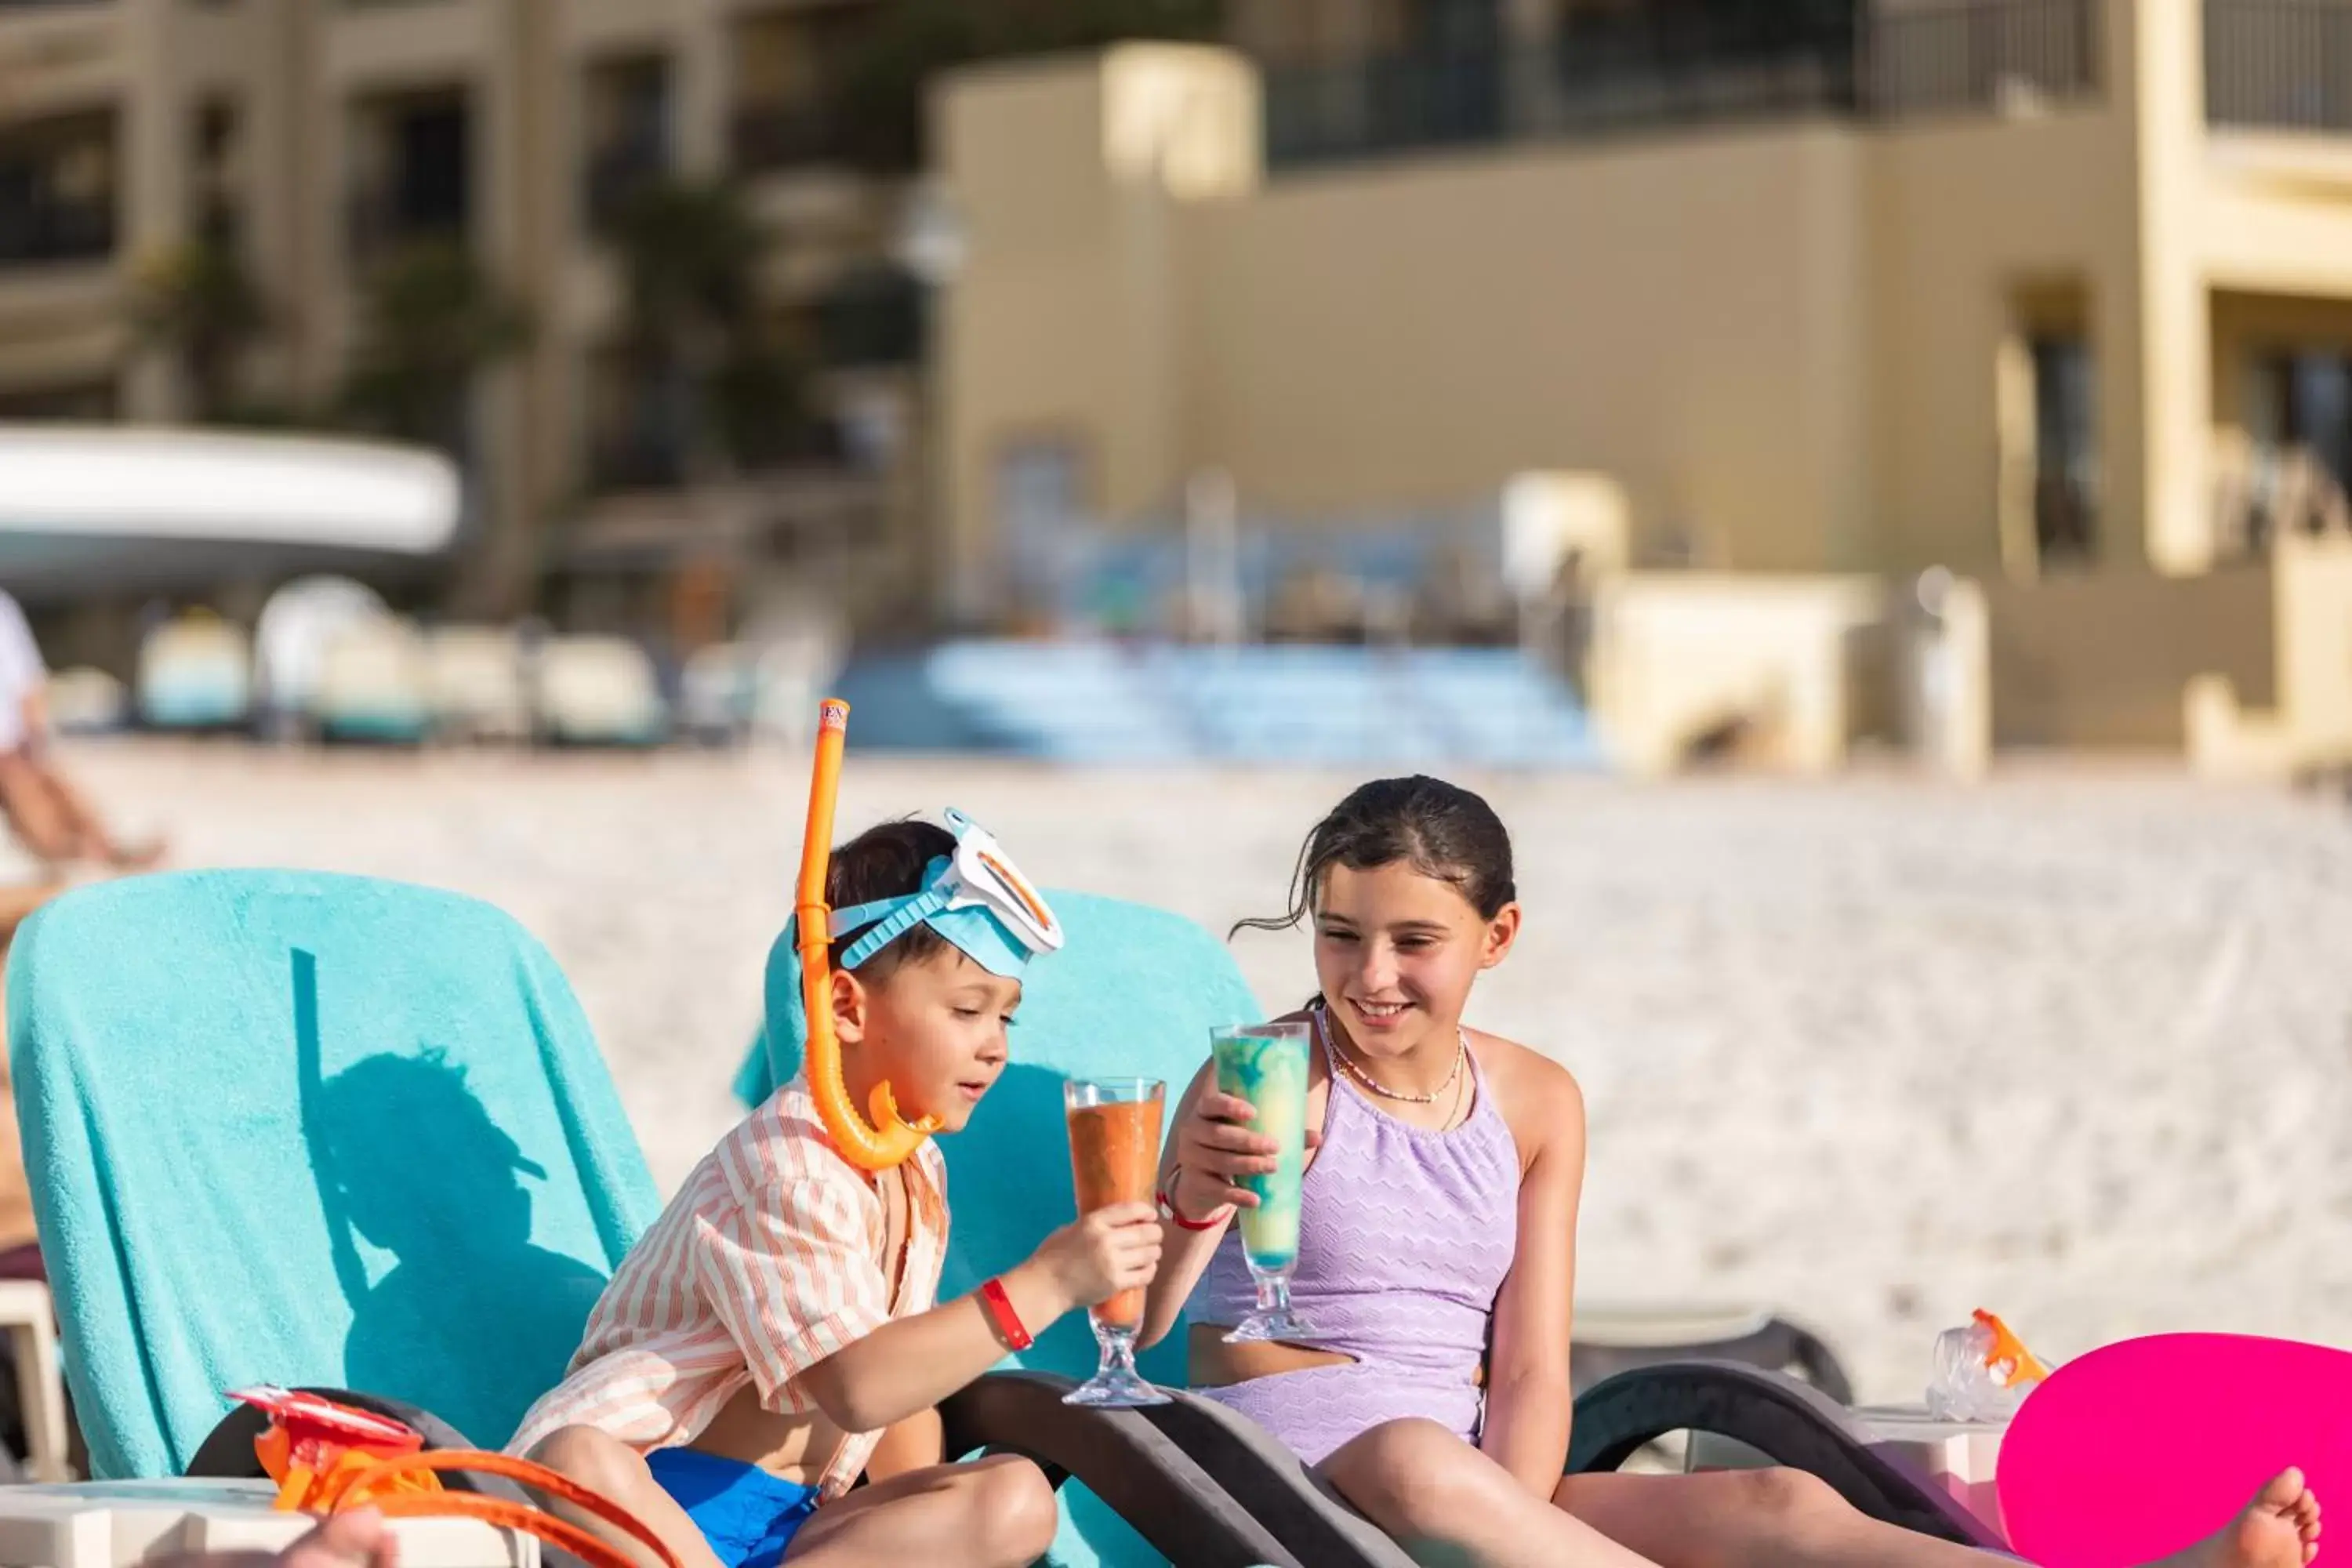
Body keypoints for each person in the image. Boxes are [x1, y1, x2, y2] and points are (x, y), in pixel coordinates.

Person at [1138, 775, 2323, 1568]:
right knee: (1415, 1461)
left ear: (1496, 938)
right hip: (1281, 1472)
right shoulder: (1269, 1075)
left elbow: (1538, 1360)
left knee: (1782, 1508)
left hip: (1475, 1479)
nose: (1370, 975)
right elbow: (1140, 1324)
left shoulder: (1538, 1102)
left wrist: (1517, 1503)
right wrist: (1193, 1192)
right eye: (1341, 935)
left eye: (1414, 941)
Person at [511, 814, 1161, 1568]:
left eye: (1005, 1015)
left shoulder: (914, 1166)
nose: (997, 1045)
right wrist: (1046, 1285)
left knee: (1012, 1496)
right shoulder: (787, 1158)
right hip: (658, 1501)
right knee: (574, 1456)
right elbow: (859, 1386)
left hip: (795, 1525)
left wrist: (932, 1519)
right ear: (849, 1008)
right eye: (967, 1010)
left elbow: (900, 1401)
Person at [0, 590, 162, 876]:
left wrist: (37, 733)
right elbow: (27, 678)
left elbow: (27, 679)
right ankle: (80, 852)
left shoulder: (4, 608)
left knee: (56, 785)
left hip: (13, 739)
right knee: (25, 788)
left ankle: (97, 848)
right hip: (9, 746)